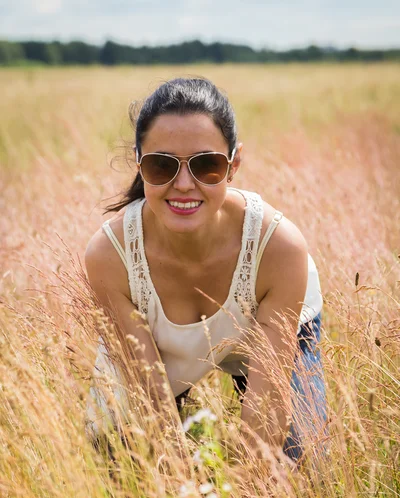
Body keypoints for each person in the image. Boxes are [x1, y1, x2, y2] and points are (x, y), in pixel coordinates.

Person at [84, 77, 327, 463]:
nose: (184, 184)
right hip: (163, 348)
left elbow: (269, 413)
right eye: (161, 165)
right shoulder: (110, 255)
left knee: (299, 455)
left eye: (207, 165)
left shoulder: (279, 247)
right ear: (139, 162)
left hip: (266, 329)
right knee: (119, 452)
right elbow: (150, 403)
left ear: (234, 165)